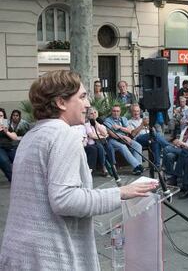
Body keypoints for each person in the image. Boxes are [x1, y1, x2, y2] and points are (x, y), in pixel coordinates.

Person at [0, 70, 158, 270]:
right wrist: (121, 193)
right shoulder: (62, 135)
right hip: (50, 258)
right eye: (82, 96)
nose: (88, 103)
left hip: (19, 255)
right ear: (61, 102)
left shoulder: (33, 134)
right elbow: (65, 200)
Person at [163, 112, 188, 186]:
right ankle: (170, 176)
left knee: (167, 149)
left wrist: (183, 144)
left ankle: (167, 172)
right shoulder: (185, 129)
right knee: (169, 155)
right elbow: (181, 141)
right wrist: (177, 142)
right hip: (180, 150)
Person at [105, 104, 144, 175]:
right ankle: (138, 166)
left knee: (138, 145)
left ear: (120, 112)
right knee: (123, 146)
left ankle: (137, 169)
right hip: (113, 140)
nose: (116, 113)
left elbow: (130, 131)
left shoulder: (124, 119)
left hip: (125, 138)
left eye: (117, 111)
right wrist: (124, 137)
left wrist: (120, 127)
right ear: (111, 112)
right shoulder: (107, 121)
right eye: (114, 111)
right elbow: (112, 134)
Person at [128, 104, 170, 169]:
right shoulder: (129, 122)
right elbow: (132, 135)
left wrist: (150, 126)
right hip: (138, 140)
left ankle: (157, 166)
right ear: (131, 112)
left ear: (140, 112)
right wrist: (142, 125)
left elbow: (152, 131)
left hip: (149, 138)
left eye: (137, 111)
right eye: (134, 111)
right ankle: (168, 147)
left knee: (155, 141)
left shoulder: (144, 119)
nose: (136, 113)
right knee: (155, 136)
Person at [0, 108, 17, 182]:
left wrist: (6, 132)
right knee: (5, 161)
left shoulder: (6, 124)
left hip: (9, 147)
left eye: (1, 116)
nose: (0, 117)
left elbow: (15, 137)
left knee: (19, 159)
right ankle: (13, 181)